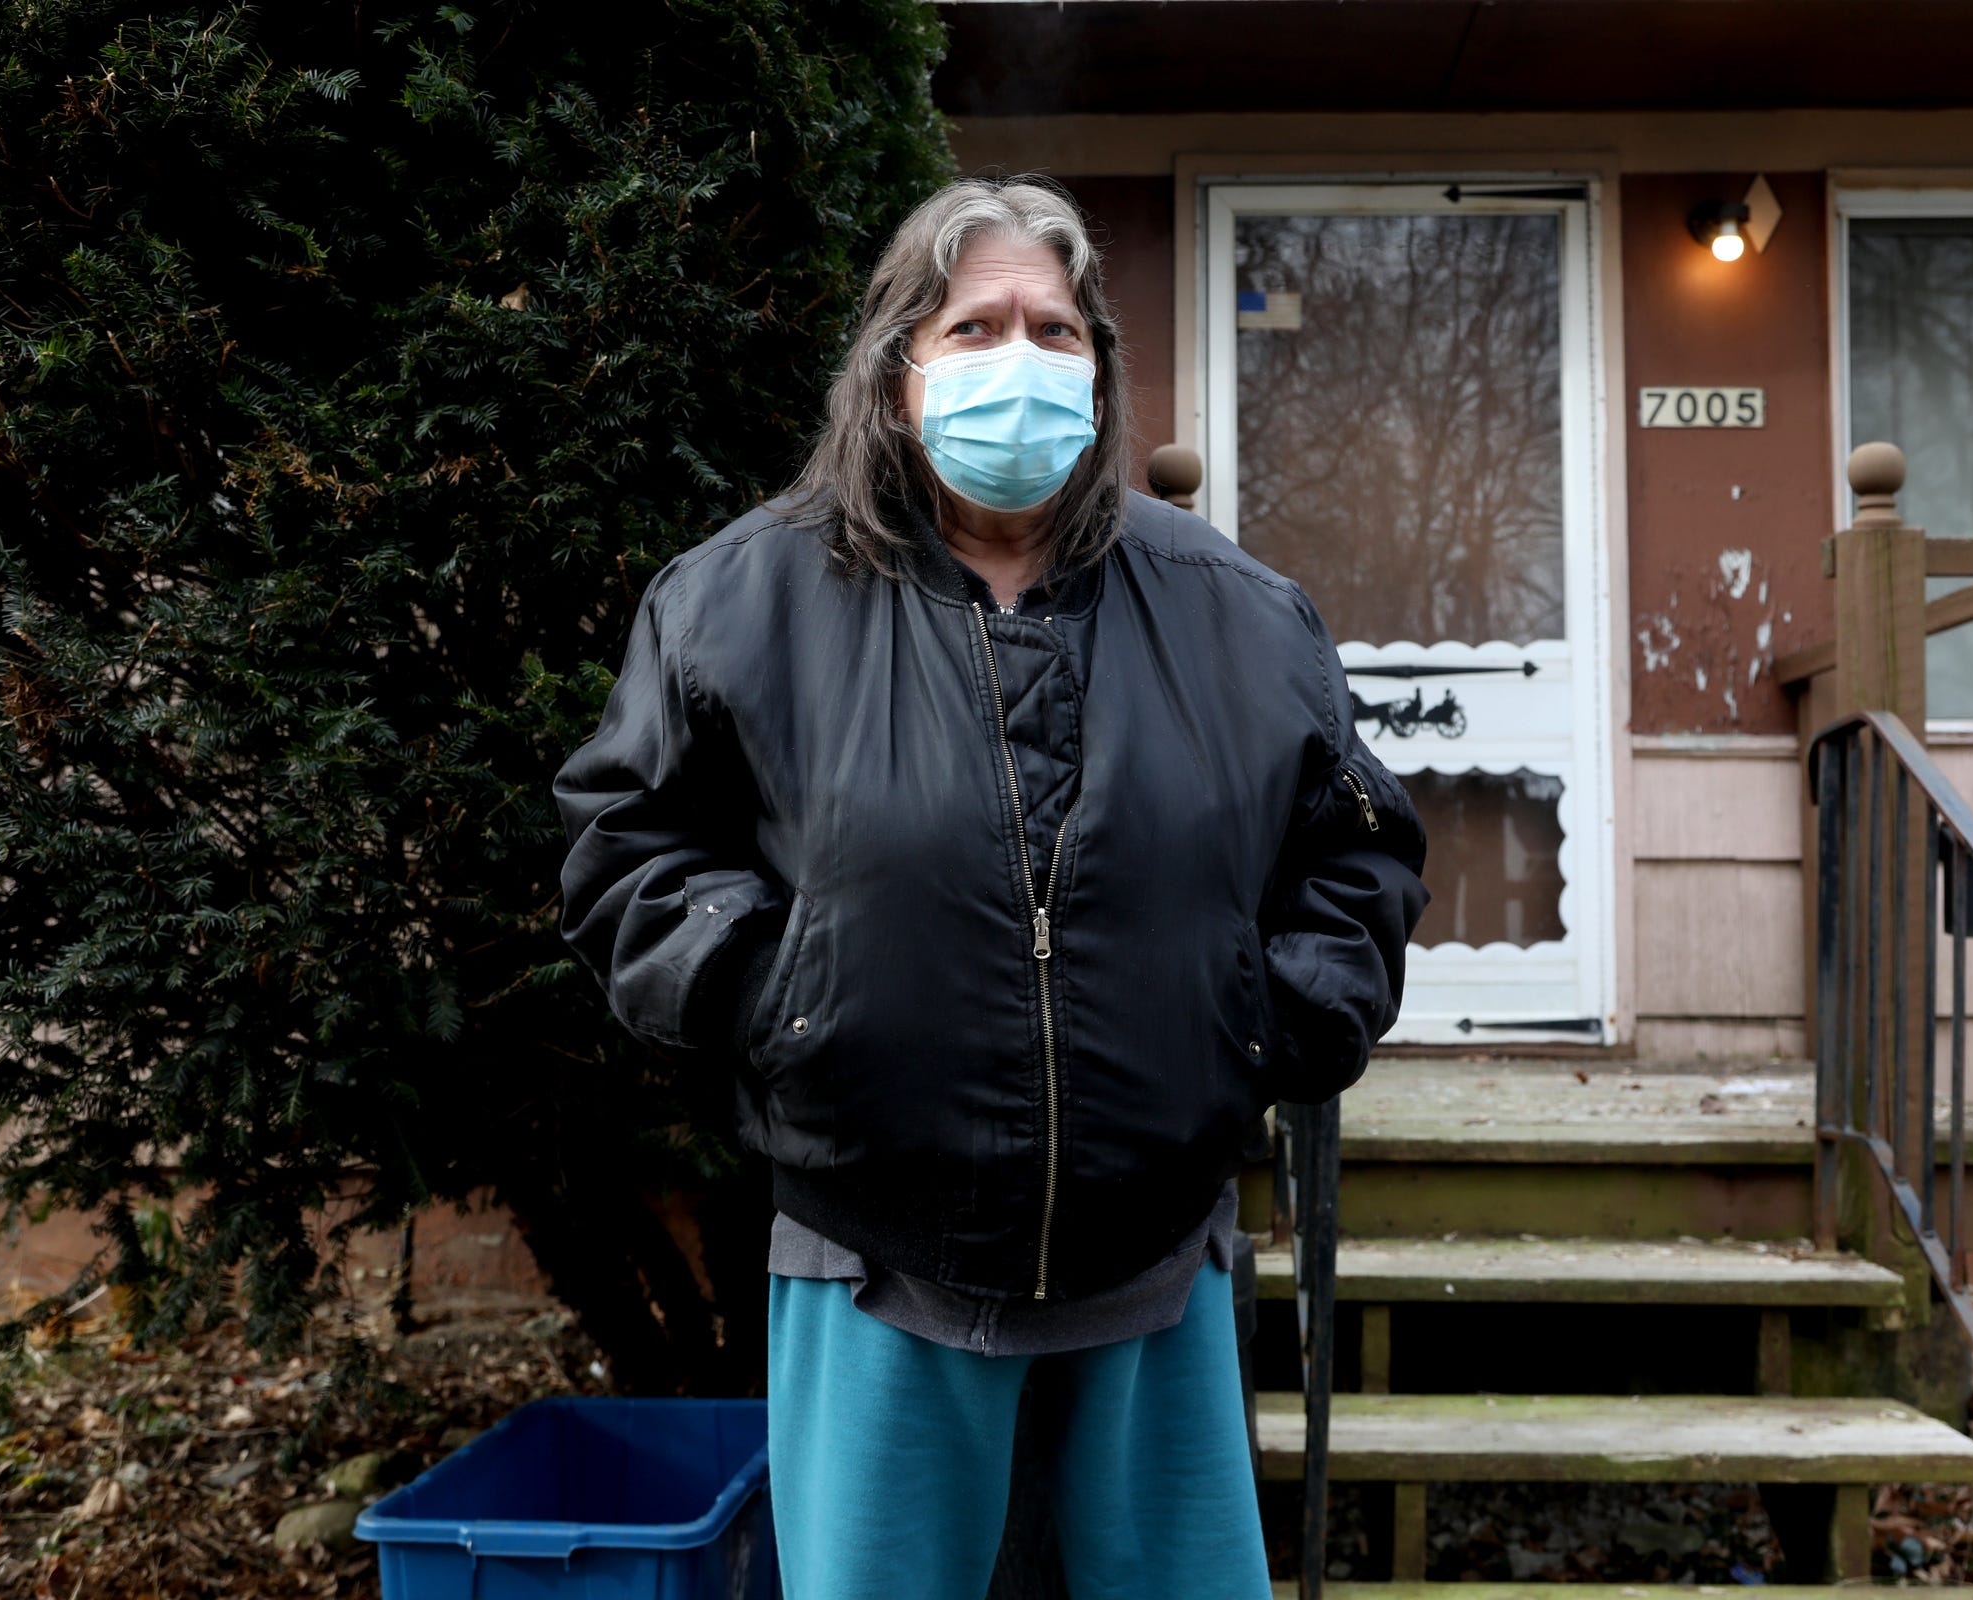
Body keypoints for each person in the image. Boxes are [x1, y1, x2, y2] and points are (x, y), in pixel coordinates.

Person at [553, 175, 1428, 1600]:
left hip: (1157, 1264)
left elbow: (1358, 846)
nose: (1017, 359)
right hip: (872, 1262)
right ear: (899, 373)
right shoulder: (735, 604)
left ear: (1100, 371)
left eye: (1054, 329)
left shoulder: (1239, 613)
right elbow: (624, 846)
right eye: (972, 329)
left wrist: (1264, 1024)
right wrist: (783, 1005)